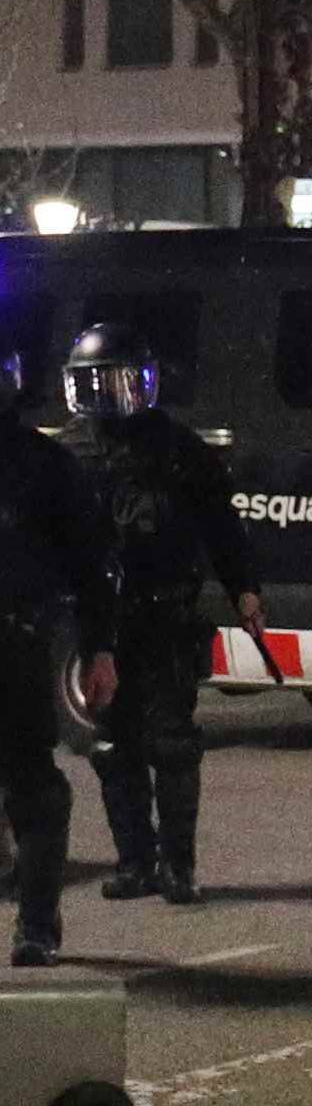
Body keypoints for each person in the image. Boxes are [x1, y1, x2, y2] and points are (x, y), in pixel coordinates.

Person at [64, 323, 261, 908]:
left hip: (166, 613)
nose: (112, 396)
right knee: (113, 746)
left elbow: (222, 526)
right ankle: (135, 863)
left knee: (172, 744)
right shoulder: (71, 454)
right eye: (99, 384)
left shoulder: (179, 450)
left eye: (122, 382)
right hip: (102, 622)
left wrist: (244, 589)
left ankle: (178, 867)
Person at [0, 343, 116, 965]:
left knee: (33, 790)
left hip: (15, 644)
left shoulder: (45, 467)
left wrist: (100, 649)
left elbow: (91, 566)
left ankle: (37, 926)